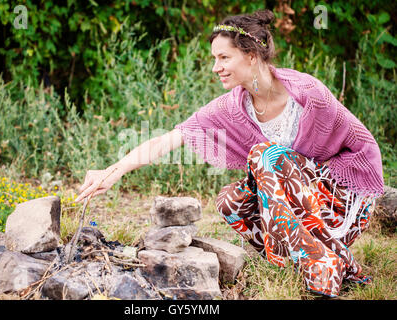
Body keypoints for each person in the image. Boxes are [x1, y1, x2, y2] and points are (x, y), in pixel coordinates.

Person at [75, 9, 384, 298]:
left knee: (266, 155)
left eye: (224, 57)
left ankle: (325, 261)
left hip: (341, 200)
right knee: (229, 201)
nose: (216, 67)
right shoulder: (233, 107)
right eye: (214, 58)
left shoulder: (307, 94)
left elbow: (362, 143)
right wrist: (112, 171)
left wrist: (357, 189)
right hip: (299, 208)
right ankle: (312, 258)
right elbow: (170, 139)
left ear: (251, 56)